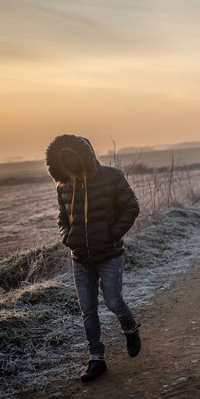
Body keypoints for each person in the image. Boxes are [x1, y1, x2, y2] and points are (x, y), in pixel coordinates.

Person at [46, 134, 142, 382]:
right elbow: (62, 217)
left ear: (87, 154)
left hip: (110, 254)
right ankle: (96, 358)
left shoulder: (112, 176)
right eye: (66, 158)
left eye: (75, 156)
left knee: (113, 301)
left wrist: (112, 235)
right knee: (88, 310)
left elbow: (131, 206)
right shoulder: (64, 184)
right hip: (80, 257)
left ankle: (130, 328)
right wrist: (67, 237)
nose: (71, 161)